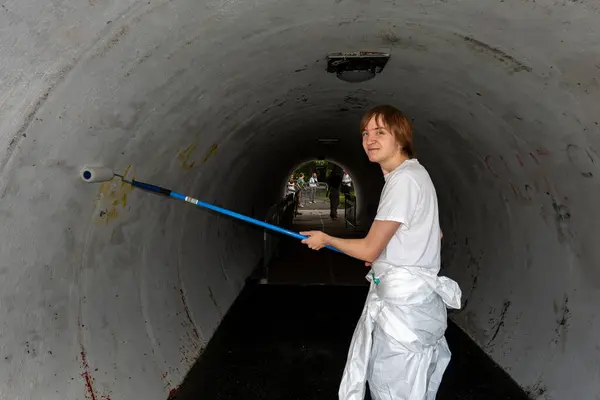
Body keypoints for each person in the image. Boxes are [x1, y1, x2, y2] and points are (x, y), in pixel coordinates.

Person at [300, 105, 461, 400]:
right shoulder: (416, 174)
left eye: (380, 132)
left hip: (403, 311)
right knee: (406, 386)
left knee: (393, 389)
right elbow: (433, 234)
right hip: (413, 306)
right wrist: (385, 258)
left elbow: (370, 247)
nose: (369, 139)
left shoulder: (403, 181)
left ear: (400, 138)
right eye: (365, 133)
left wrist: (326, 239)